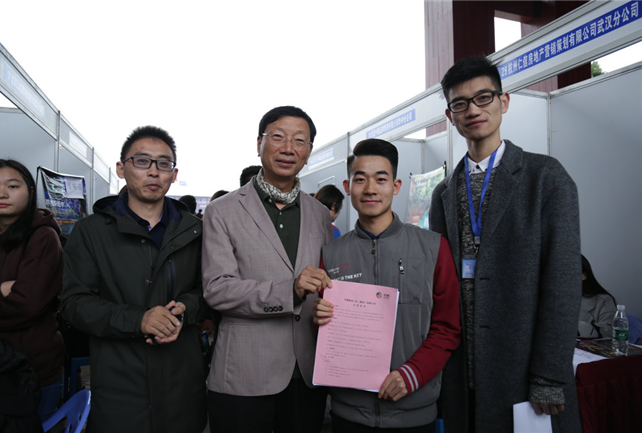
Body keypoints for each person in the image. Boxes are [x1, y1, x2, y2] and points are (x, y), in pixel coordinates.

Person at [430, 56, 582, 433]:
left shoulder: (545, 178)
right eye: (460, 103)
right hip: (462, 371)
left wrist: (549, 375)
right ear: (450, 116)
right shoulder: (444, 193)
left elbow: (563, 282)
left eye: (483, 97)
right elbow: (441, 287)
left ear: (504, 101)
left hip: (524, 368)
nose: (473, 110)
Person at [60, 126, 209, 433]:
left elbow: (209, 291)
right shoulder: (91, 231)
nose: (153, 171)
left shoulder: (194, 231)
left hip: (181, 381)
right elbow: (74, 304)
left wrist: (185, 308)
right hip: (120, 382)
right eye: (142, 161)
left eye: (163, 164)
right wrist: (138, 320)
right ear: (121, 168)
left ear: (173, 174)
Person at [313, 139, 461, 432]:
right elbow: (319, 329)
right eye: (360, 179)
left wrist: (412, 374)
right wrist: (316, 317)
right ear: (347, 186)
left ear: (396, 186)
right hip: (349, 412)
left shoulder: (433, 248)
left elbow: (448, 327)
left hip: (414, 411)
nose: (370, 189)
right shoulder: (330, 254)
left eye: (381, 179)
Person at [203, 106, 333, 433]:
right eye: (278, 137)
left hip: (306, 373)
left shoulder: (319, 213)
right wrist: (290, 290)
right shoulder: (222, 211)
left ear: (309, 153)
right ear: (259, 143)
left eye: (299, 141)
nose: (288, 148)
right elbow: (217, 289)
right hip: (245, 373)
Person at [0, 159, 65, 422]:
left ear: (31, 192)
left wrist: (14, 295)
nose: (1, 194)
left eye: (12, 186)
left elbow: (26, 305)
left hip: (32, 370)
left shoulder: (43, 236)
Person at [578, 255, 616, 339]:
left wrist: (573, 328)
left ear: (583, 275)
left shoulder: (603, 300)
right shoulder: (550, 299)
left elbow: (609, 331)